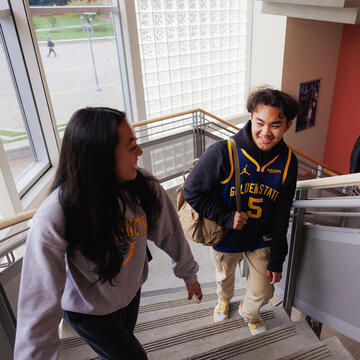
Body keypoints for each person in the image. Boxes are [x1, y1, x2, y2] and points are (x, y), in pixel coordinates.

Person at [14, 107, 203, 360]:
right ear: (100, 156)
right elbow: (38, 306)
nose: (140, 151)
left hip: (129, 295)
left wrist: (188, 273)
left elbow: (170, 232)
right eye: (130, 145)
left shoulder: (145, 188)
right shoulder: (56, 214)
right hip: (88, 311)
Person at [183, 87, 298, 336]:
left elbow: (282, 211)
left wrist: (278, 256)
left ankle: (250, 312)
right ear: (250, 117)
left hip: (261, 239)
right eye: (260, 122)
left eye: (275, 125)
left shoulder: (289, 161)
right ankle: (224, 299)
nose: (266, 132)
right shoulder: (224, 151)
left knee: (265, 290)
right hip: (225, 237)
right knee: (224, 277)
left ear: (287, 125)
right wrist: (225, 217)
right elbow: (192, 191)